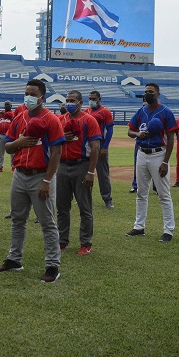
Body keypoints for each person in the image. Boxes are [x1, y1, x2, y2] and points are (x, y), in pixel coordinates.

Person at [0, 79, 65, 283]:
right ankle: (14, 259)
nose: (28, 97)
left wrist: (47, 180)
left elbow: (56, 152)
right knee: (18, 219)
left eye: (33, 94)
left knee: (47, 222)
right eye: (26, 93)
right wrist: (18, 143)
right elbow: (8, 147)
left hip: (40, 176)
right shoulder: (20, 118)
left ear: (42, 97)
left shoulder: (51, 120)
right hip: (19, 174)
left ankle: (53, 265)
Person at [126, 83, 178, 243]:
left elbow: (170, 139)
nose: (147, 94)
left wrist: (165, 162)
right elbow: (130, 131)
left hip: (158, 154)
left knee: (163, 194)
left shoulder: (165, 112)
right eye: (145, 92)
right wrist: (137, 133)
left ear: (158, 94)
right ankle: (139, 226)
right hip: (142, 153)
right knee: (141, 192)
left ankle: (168, 230)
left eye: (150, 92)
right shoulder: (141, 111)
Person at [57, 90, 101, 255]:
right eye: (67, 100)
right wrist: (62, 137)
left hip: (81, 165)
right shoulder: (60, 120)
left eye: (73, 100)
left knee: (84, 207)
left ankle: (85, 243)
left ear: (80, 103)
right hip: (62, 166)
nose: (69, 103)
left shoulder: (89, 120)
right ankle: (62, 240)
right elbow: (52, 143)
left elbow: (95, 147)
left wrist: (91, 171)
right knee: (61, 206)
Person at [84, 90, 115, 209]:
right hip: (87, 145)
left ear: (99, 99)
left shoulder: (105, 112)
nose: (91, 100)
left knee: (103, 174)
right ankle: (86, 198)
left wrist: (105, 147)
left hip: (100, 144)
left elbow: (110, 130)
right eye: (90, 98)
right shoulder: (86, 111)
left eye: (94, 98)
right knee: (85, 172)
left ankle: (107, 199)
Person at [0, 101, 14, 172]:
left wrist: (3, 113)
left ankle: (13, 167)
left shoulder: (12, 113)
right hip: (1, 134)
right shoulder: (1, 114)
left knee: (12, 152)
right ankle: (0, 167)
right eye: (6, 105)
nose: (7, 106)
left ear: (11, 106)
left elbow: (11, 115)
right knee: (1, 152)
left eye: (8, 105)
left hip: (9, 135)